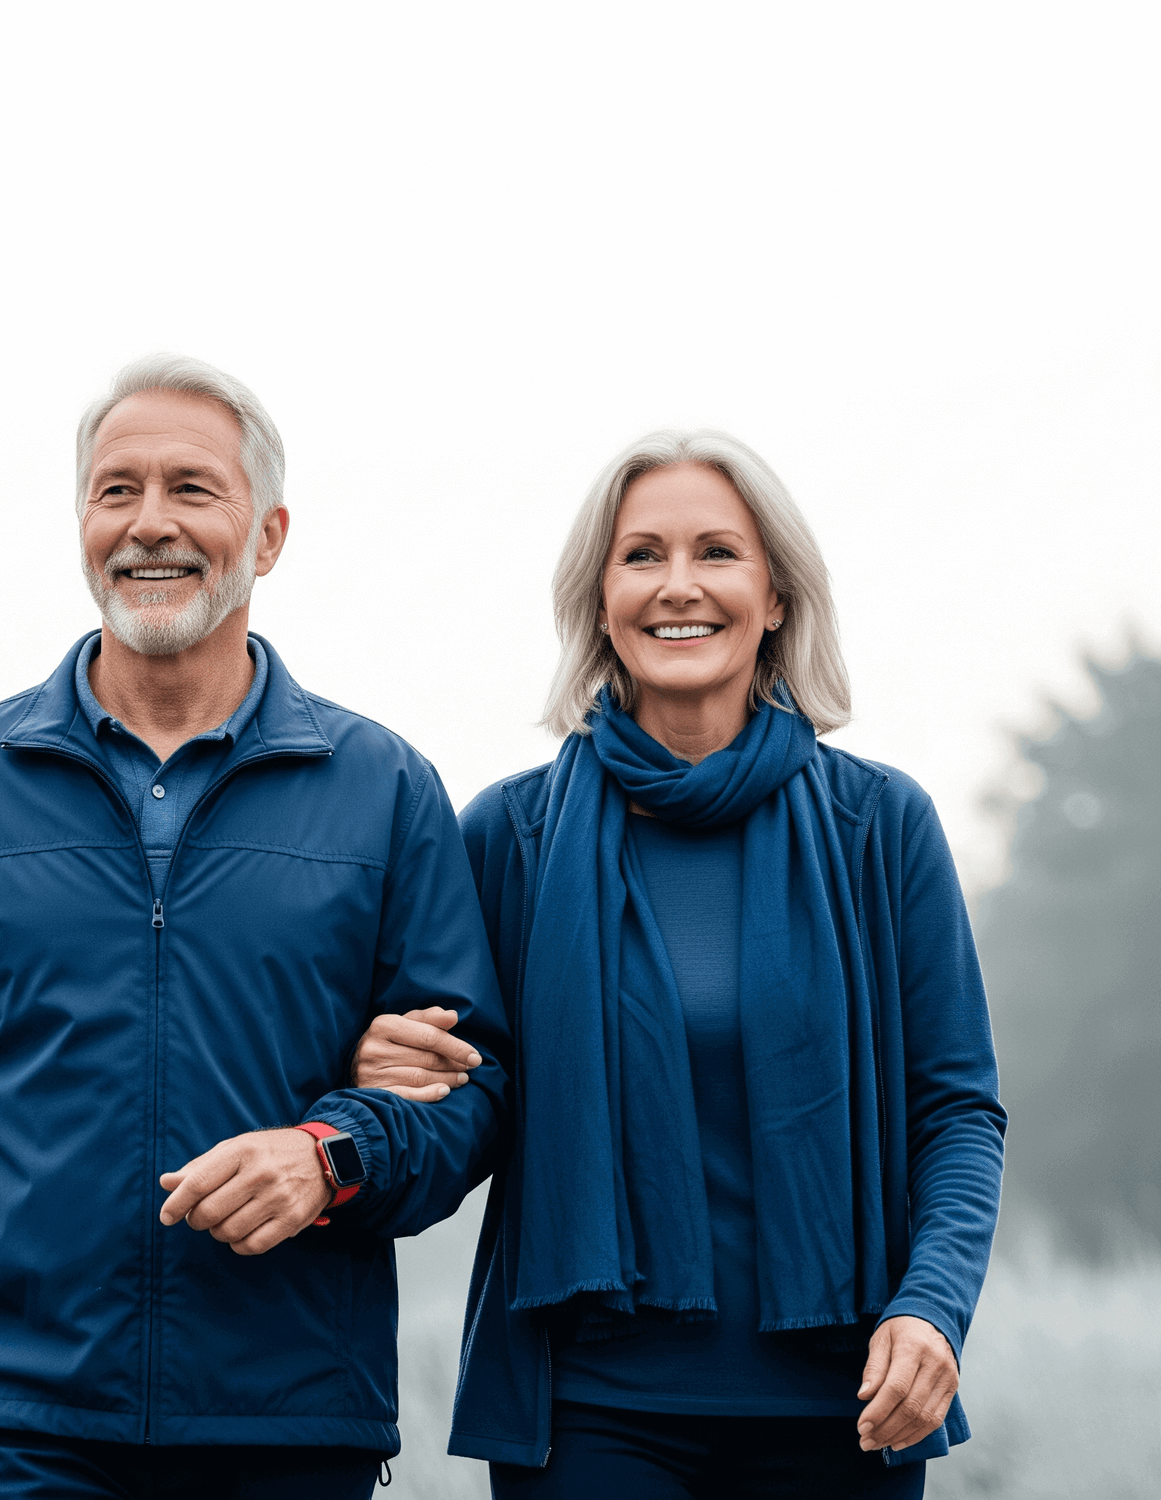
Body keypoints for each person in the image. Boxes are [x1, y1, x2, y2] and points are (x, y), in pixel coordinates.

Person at [0, 353, 509, 1500]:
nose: (148, 523)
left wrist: (333, 1157)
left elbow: (470, 1097)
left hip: (288, 1422)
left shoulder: (385, 789)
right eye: (116, 490)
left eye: (191, 488)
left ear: (268, 536)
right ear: (82, 525)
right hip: (13, 1421)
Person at [353, 431, 1006, 1497]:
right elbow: (461, 1097)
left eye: (718, 552)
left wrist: (932, 1308)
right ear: (600, 599)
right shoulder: (510, 839)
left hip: (843, 1412)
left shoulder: (881, 828)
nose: (679, 586)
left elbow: (958, 1114)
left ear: (777, 596)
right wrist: (388, 1078)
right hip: (590, 1418)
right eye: (642, 556)